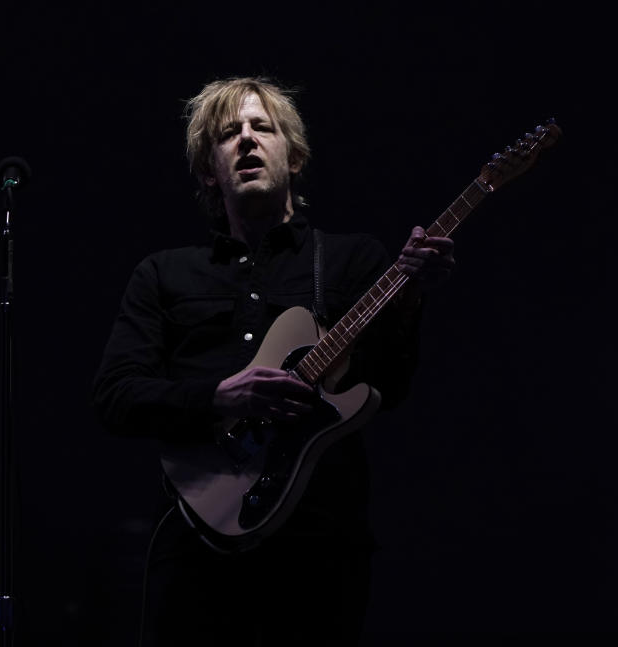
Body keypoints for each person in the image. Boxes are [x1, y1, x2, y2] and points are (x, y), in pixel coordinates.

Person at [92, 77, 455, 646]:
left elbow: (389, 388)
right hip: (195, 542)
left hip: (318, 545)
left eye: (262, 127)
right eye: (228, 134)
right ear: (209, 169)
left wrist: (409, 301)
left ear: (295, 156)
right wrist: (219, 396)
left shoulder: (351, 260)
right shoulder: (163, 273)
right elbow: (115, 396)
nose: (246, 141)